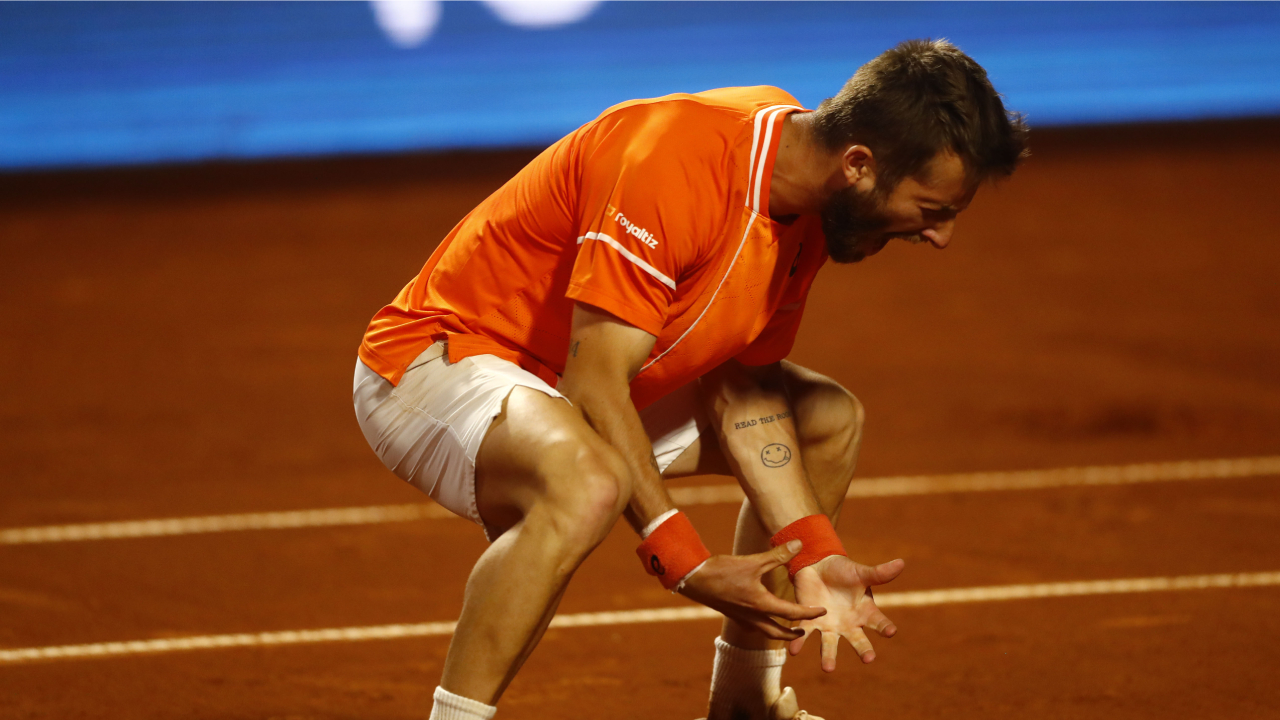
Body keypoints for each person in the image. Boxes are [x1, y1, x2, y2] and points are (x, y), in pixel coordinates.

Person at [353, 38, 1028, 720]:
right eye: (934, 209)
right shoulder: (675, 161)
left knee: (827, 419)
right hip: (439, 363)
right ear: (859, 165)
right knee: (587, 481)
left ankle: (744, 704)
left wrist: (814, 553)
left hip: (570, 380)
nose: (938, 237)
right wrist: (684, 559)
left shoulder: (813, 201)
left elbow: (739, 384)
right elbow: (594, 384)